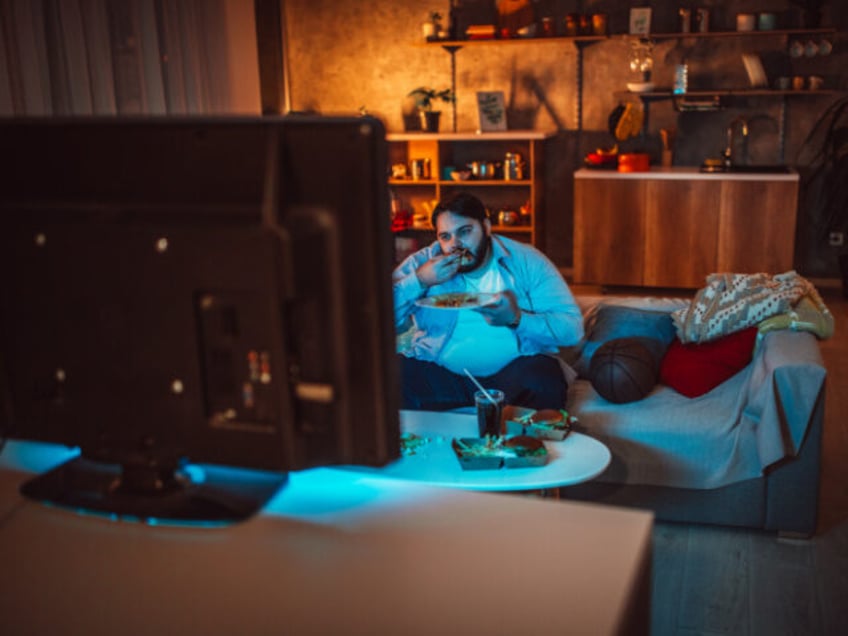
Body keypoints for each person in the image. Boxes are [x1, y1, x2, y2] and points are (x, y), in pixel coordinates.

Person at [393, 192, 584, 411]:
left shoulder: (526, 260)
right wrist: (420, 280)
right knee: (393, 373)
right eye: (445, 237)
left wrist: (517, 319)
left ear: (486, 226)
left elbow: (572, 331)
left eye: (464, 232)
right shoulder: (422, 263)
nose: (455, 245)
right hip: (442, 376)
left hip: (511, 378)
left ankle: (527, 442)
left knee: (544, 377)